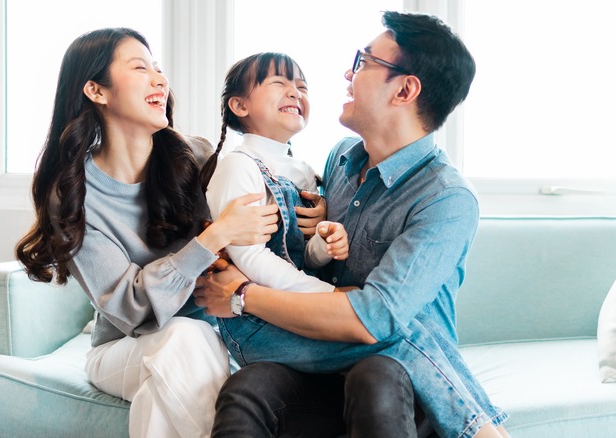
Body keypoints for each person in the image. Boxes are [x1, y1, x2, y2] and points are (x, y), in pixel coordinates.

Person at [195, 11, 510, 438]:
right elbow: (302, 251)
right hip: (318, 360)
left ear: (405, 89)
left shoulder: (447, 200)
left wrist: (242, 295)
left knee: (377, 374)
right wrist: (321, 228)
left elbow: (374, 320)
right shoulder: (339, 160)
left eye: (363, 62)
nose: (348, 73)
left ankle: (476, 428)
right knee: (248, 387)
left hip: (397, 380)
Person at [14, 27, 279, 438]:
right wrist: (210, 239)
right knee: (186, 338)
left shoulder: (196, 156)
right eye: (141, 68)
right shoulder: (72, 194)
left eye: (158, 68)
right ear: (96, 91)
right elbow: (130, 308)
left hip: (212, 339)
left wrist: (313, 214)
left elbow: (267, 187)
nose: (160, 79)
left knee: (163, 391)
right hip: (121, 349)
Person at [201, 52, 349, 296]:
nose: (295, 92)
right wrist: (328, 296)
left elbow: (304, 259)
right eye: (279, 83)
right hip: (251, 312)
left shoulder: (304, 172)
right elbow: (250, 257)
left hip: (296, 300)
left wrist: (324, 242)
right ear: (240, 105)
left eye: (302, 86)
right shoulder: (238, 166)